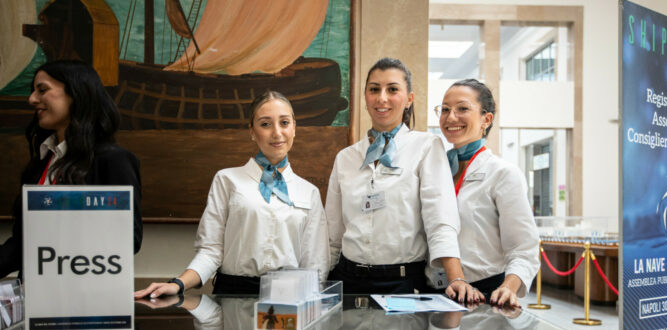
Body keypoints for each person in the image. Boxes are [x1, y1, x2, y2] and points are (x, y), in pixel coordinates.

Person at [134, 91, 329, 298]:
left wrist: (310, 308)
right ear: (252, 131)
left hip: (288, 300)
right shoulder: (226, 180)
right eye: (265, 124)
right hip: (232, 296)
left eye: (284, 123)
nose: (277, 132)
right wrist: (177, 284)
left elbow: (316, 265)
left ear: (294, 128)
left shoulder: (309, 192)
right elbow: (211, 251)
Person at [325, 57, 482, 303]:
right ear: (365, 97)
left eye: (392, 89)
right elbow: (332, 234)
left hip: (403, 283)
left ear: (409, 99)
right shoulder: (345, 158)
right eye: (374, 89)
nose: (382, 98)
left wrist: (456, 278)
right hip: (348, 281)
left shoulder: (426, 147)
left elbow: (440, 219)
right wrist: (318, 285)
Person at [0, 60, 142, 278]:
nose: (32, 99)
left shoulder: (113, 160)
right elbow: (23, 244)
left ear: (76, 93)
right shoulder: (40, 162)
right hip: (33, 294)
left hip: (82, 293)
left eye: (42, 90)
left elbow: (128, 239)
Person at [431, 78, 540, 308]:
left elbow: (524, 248)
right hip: (433, 291)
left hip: (483, 294)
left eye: (462, 109)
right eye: (445, 110)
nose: (451, 117)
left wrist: (508, 288)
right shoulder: (435, 170)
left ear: (486, 119)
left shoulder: (502, 174)